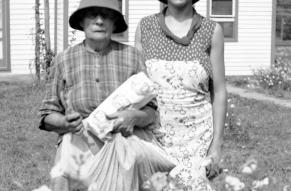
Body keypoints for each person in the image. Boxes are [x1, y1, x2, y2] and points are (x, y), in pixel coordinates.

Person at [39, 0, 174, 190]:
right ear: (81, 22)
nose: (99, 21)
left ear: (115, 24)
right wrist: (65, 123)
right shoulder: (64, 59)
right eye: (93, 15)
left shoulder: (132, 56)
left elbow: (152, 112)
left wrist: (133, 117)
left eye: (107, 16)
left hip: (124, 146)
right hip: (79, 145)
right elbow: (47, 114)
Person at [135, 0, 227, 190]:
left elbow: (219, 91)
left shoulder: (212, 30)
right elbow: (137, 86)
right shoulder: (145, 27)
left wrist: (216, 145)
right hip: (154, 138)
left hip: (198, 142)